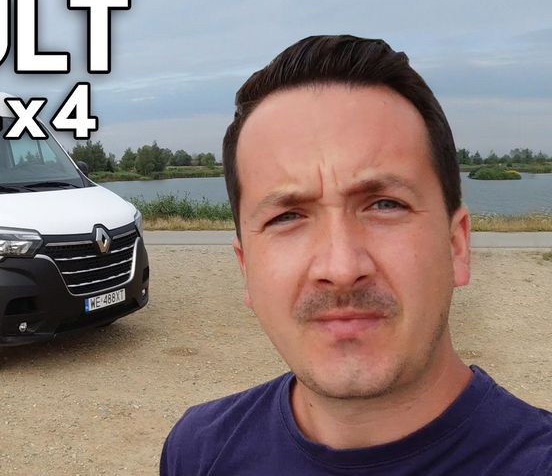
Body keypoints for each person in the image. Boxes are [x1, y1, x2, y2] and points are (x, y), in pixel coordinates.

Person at [160, 35, 552, 475]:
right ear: (246, 268)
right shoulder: (198, 451)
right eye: (287, 216)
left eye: (385, 205)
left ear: (457, 246)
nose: (341, 268)